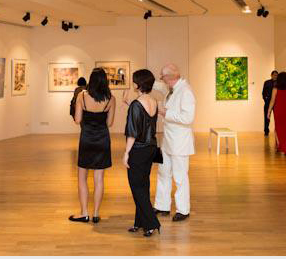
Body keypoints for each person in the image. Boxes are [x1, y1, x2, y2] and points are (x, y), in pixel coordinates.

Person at [69, 68, 115, 224]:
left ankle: (84, 213)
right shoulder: (110, 99)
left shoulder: (82, 96)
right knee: (99, 178)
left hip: (87, 139)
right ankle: (95, 213)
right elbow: (109, 123)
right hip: (102, 139)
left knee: (82, 177)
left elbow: (77, 120)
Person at [154, 63, 196, 222]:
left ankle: (183, 209)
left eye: (162, 76)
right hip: (168, 141)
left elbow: (188, 118)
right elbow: (158, 86)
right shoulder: (171, 88)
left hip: (180, 143)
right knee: (163, 173)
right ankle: (162, 205)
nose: (161, 79)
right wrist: (142, 79)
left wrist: (166, 113)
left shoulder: (186, 92)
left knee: (180, 177)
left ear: (169, 77)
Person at [124, 69, 161, 237]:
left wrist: (126, 153)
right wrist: (129, 104)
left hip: (138, 150)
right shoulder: (153, 101)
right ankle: (139, 222)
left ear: (138, 84)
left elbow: (133, 132)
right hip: (151, 148)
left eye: (134, 81)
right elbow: (144, 120)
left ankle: (151, 223)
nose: (132, 83)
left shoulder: (136, 104)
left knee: (137, 187)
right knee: (143, 185)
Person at [267, 72, 286, 155]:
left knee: (278, 129)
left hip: (279, 111)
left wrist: (269, 111)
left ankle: (280, 146)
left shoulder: (275, 88)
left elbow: (272, 101)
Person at [262, 70, 278, 136]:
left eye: (276, 75)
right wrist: (266, 99)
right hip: (268, 102)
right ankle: (266, 130)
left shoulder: (279, 83)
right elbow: (263, 92)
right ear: (271, 75)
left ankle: (277, 130)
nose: (275, 76)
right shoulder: (267, 82)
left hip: (276, 103)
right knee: (267, 117)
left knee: (277, 117)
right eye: (274, 75)